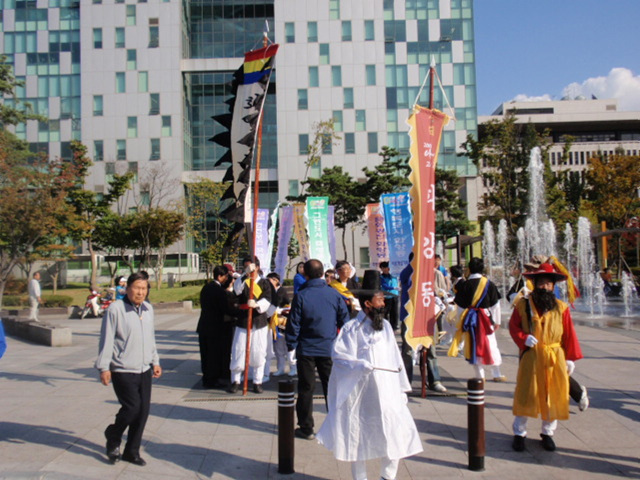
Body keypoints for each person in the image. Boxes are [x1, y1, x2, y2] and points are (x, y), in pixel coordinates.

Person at [317, 289, 423, 480]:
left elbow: (395, 356)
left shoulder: (386, 327)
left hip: (388, 390)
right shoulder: (351, 329)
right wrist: (358, 364)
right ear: (368, 304)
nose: (383, 304)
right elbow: (339, 356)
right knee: (358, 436)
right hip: (362, 393)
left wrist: (401, 387)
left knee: (395, 433)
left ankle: (388, 476)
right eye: (379, 300)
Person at [509, 263, 583, 452]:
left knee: (553, 394)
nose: (544, 287)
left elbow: (568, 333)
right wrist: (523, 338)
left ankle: (548, 432)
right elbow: (513, 326)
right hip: (531, 356)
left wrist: (570, 358)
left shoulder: (561, 307)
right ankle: (519, 433)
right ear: (534, 284)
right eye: (541, 283)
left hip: (554, 355)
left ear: (553, 286)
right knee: (526, 393)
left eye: (548, 284)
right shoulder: (523, 304)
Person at [95, 272, 162, 466]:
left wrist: (155, 361)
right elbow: (106, 339)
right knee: (132, 408)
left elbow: (151, 338)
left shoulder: (148, 309)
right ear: (127, 288)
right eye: (137, 288)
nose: (140, 292)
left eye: (144, 288)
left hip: (144, 369)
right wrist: (104, 367)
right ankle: (113, 433)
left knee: (143, 412)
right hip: (122, 368)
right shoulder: (115, 309)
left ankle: (131, 451)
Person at [285, 259, 349, 440]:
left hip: (306, 348)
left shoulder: (302, 296)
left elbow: (294, 323)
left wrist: (291, 344)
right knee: (332, 387)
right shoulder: (334, 294)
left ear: (305, 274)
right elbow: (345, 321)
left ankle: (306, 428)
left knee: (306, 388)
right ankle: (337, 425)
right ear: (323, 273)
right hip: (329, 347)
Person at [449, 257, 507, 382]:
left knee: (473, 345)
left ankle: (480, 375)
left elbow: (460, 306)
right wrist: (496, 321)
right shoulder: (489, 284)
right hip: (486, 319)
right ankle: (496, 373)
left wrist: (461, 321)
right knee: (491, 344)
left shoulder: (464, 285)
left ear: (469, 269)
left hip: (471, 320)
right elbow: (495, 305)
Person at [399, 255, 447, 393]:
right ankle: (406, 382)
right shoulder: (407, 273)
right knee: (408, 351)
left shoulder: (429, 274)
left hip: (426, 318)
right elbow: (405, 278)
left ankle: (434, 380)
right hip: (409, 318)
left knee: (431, 350)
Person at [228, 258, 273, 394]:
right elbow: (237, 291)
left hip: (259, 320)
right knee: (239, 349)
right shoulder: (242, 280)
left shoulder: (265, 283)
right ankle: (235, 380)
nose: (249, 269)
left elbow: (268, 299)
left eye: (251, 267)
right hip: (243, 320)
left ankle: (257, 381)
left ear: (258, 267)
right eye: (246, 267)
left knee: (258, 351)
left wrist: (258, 304)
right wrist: (244, 275)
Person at [197, 265, 236, 388]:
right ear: (220, 276)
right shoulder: (219, 291)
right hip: (216, 327)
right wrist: (241, 312)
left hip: (204, 326)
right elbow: (226, 309)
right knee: (215, 355)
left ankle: (207, 379)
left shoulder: (206, 287)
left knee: (206, 354)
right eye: (225, 276)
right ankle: (213, 380)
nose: (226, 279)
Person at [266, 272, 296, 377]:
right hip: (274, 322)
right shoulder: (270, 291)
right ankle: (281, 368)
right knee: (278, 347)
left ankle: (293, 367)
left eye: (269, 280)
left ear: (276, 280)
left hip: (283, 322)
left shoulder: (281, 291)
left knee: (288, 346)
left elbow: (278, 304)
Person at [379, 261, 399, 330]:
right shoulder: (381, 277)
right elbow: (385, 286)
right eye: (385, 267)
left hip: (395, 296)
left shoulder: (394, 276)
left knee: (394, 313)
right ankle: (385, 326)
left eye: (388, 267)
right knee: (385, 312)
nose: (387, 269)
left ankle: (394, 327)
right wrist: (394, 288)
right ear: (382, 268)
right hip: (387, 297)